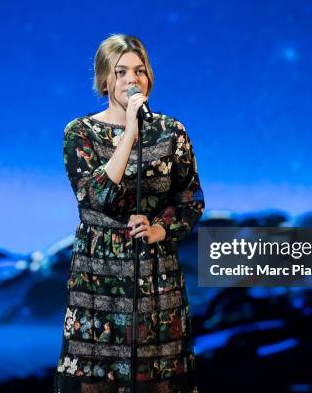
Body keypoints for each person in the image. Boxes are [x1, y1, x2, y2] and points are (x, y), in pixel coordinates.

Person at [54, 34, 204, 393]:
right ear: (105, 80)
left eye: (139, 71)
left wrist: (160, 229)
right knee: (96, 383)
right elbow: (96, 196)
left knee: (159, 382)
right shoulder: (80, 133)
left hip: (155, 273)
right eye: (120, 72)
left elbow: (190, 198)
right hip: (99, 272)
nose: (131, 80)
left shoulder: (172, 132)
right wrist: (130, 134)